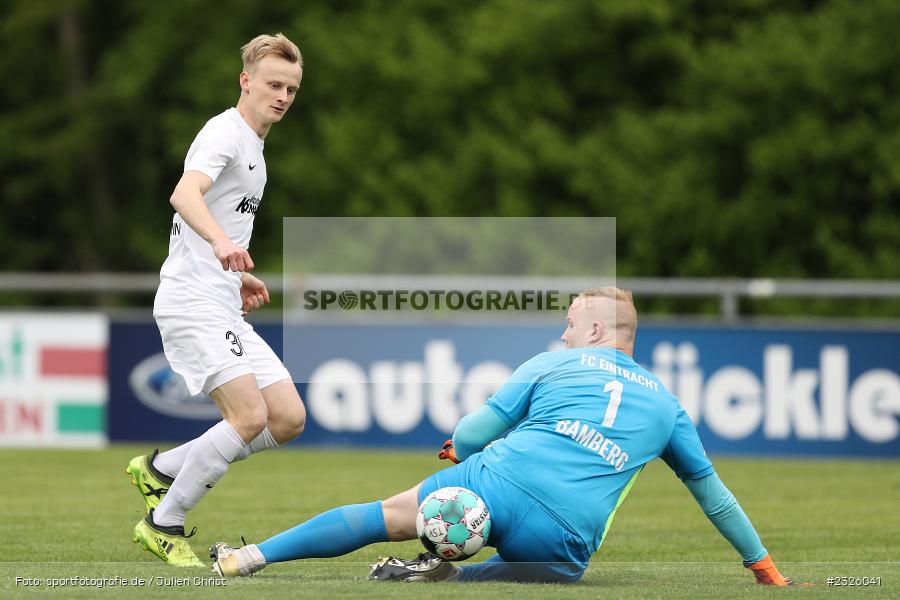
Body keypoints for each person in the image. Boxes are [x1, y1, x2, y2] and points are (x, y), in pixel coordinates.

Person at [210, 287, 792, 585]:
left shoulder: (551, 363)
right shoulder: (668, 406)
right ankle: (455, 572)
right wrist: (762, 566)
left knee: (382, 515)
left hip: (495, 480)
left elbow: (474, 431)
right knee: (557, 570)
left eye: (568, 323)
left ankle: (249, 559)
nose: (562, 332)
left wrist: (457, 449)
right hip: (563, 536)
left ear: (593, 329)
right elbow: (713, 494)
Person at [126, 33, 307, 567]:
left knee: (288, 418)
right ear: (245, 81)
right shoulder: (225, 133)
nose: (283, 96)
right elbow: (185, 195)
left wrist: (237, 271)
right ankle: (163, 523)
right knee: (249, 416)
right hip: (192, 300)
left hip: (221, 298)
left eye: (292, 88)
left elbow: (223, 218)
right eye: (274, 84)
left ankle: (161, 470)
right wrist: (222, 244)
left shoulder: (256, 145)